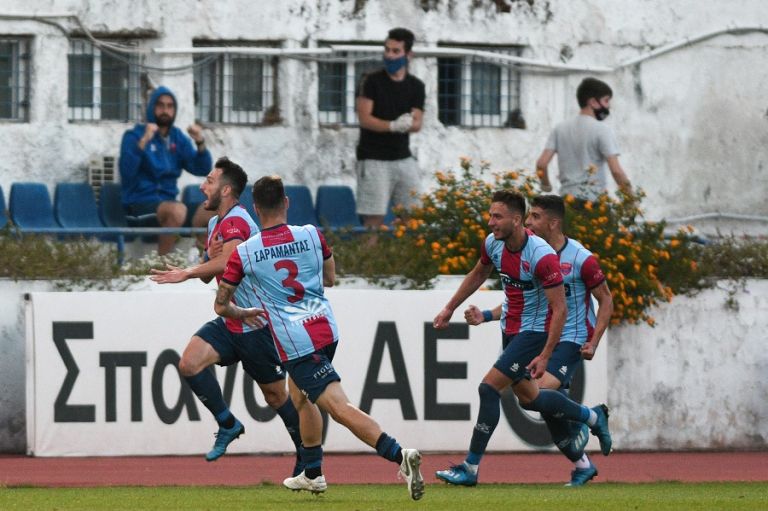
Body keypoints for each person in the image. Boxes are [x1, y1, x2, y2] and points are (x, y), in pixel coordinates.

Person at [213, 175, 425, 500]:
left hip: (298, 343)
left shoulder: (246, 252)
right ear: (286, 202)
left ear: (255, 208)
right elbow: (330, 277)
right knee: (300, 397)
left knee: (338, 408)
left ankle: (400, 456)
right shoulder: (312, 234)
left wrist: (245, 312)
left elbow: (221, 305)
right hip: (326, 328)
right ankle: (313, 473)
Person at [433, 190, 612, 487]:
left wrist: (546, 354)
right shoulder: (493, 243)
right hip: (511, 331)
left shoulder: (543, 255)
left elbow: (560, 309)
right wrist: (450, 308)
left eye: (497, 216)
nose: (491, 222)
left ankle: (470, 468)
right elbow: (478, 274)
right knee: (532, 398)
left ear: (516, 220)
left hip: (537, 334)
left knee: (488, 388)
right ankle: (591, 418)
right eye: (490, 215)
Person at [149, 157, 303, 474]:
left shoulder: (237, 220)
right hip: (232, 319)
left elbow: (227, 262)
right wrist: (208, 256)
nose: (202, 186)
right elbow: (211, 273)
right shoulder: (214, 224)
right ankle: (228, 423)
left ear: (226, 189)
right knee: (189, 363)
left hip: (256, 322)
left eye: (209, 180)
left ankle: (308, 454)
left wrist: (187, 271)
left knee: (276, 397)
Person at [119, 85, 215, 255]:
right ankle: (162, 264)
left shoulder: (178, 138)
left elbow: (202, 169)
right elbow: (126, 172)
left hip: (169, 206)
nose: (165, 110)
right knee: (176, 210)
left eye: (170, 106)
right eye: (160, 105)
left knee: (214, 210)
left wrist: (199, 141)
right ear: (152, 108)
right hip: (139, 207)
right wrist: (144, 140)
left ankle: (200, 260)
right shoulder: (134, 135)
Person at [355, 27, 426, 229]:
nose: (390, 55)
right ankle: (370, 252)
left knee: (414, 216)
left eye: (396, 51)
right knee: (373, 220)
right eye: (387, 50)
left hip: (403, 157)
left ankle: (406, 250)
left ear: (408, 54)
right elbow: (364, 118)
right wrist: (393, 126)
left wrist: (408, 124)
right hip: (373, 158)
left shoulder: (416, 86)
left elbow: (417, 123)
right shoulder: (371, 80)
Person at [536, 77, 632, 201]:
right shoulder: (602, 130)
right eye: (606, 100)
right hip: (593, 203)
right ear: (593, 102)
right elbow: (616, 171)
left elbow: (541, 164)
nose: (609, 106)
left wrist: (546, 186)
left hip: (567, 201)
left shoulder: (560, 128)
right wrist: (631, 199)